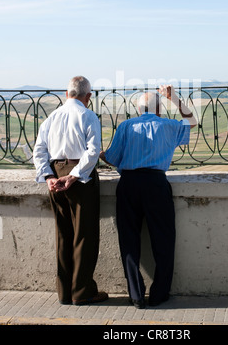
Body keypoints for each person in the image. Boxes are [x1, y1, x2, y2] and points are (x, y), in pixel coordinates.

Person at [100, 84, 197, 308]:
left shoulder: (126, 126)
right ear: (159, 109)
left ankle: (135, 294)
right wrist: (174, 98)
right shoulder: (169, 125)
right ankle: (159, 293)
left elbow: (113, 158)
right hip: (156, 184)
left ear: (138, 110)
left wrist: (103, 154)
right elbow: (192, 121)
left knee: (129, 239)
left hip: (129, 184)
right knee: (163, 239)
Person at [33, 76, 108, 306]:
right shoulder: (88, 115)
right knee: (84, 235)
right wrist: (74, 175)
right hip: (80, 177)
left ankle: (64, 292)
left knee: (63, 234)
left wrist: (49, 177)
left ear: (67, 95)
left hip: (55, 173)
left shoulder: (51, 118)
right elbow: (93, 151)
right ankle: (82, 291)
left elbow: (39, 151)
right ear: (88, 97)